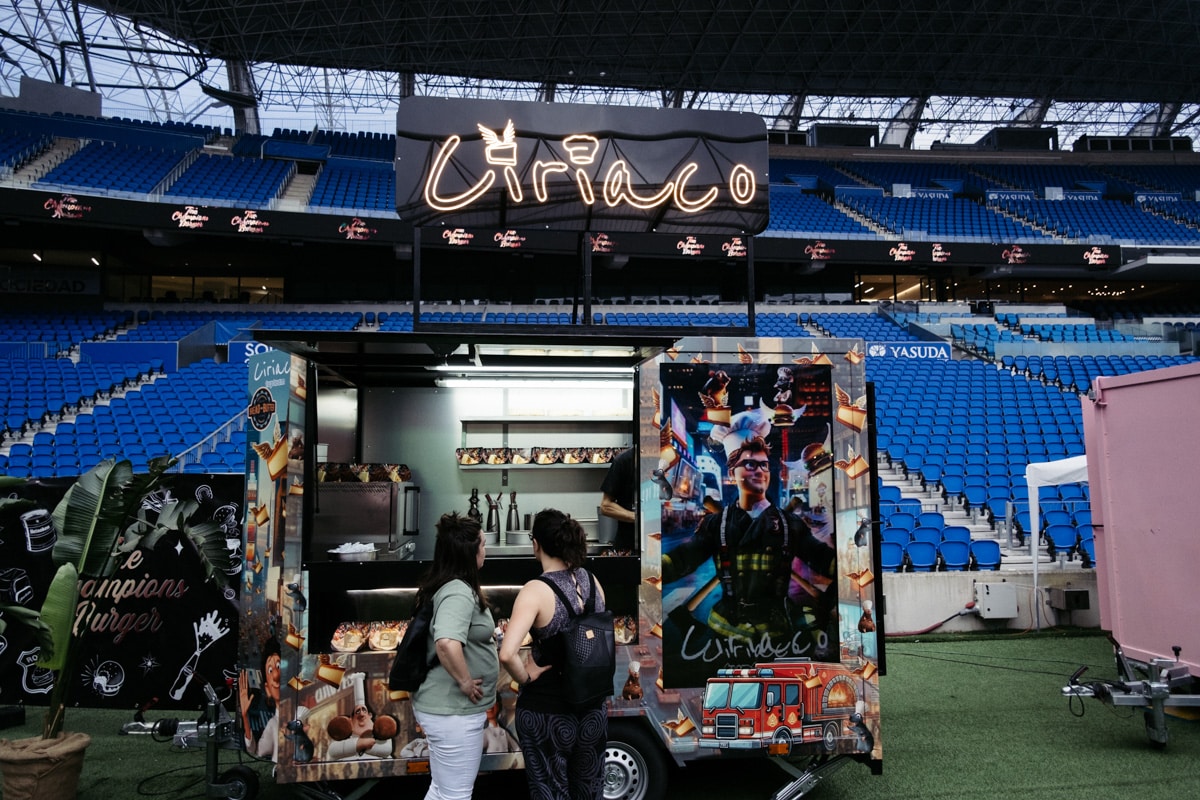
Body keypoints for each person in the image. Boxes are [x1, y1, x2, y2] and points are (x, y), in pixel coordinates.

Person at [662, 433, 836, 657]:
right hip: (724, 636)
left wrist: (832, 598)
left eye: (764, 465)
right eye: (750, 464)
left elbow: (826, 561)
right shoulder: (716, 524)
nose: (760, 470)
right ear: (732, 473)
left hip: (778, 636)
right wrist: (651, 572)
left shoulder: (790, 524)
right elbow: (683, 558)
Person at [499, 509, 608, 800]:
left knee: (550, 792)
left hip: (547, 712)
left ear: (536, 544)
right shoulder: (592, 581)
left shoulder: (535, 590)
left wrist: (526, 677)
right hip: (592, 710)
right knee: (589, 792)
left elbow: (507, 653)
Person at [412, 513, 498, 800]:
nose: (485, 550)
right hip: (453, 713)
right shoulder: (458, 592)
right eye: (482, 544)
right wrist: (464, 681)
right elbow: (447, 642)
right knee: (456, 795)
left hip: (446, 712)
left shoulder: (449, 585)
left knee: (441, 790)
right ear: (469, 553)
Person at [240, 635, 281, 759]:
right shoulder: (273, 724)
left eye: (279, 666)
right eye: (270, 670)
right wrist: (244, 716)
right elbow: (255, 750)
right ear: (267, 689)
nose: (276, 676)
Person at [599, 446, 637, 552]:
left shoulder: (665, 459)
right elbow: (605, 506)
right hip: (628, 543)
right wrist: (637, 518)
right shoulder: (623, 461)